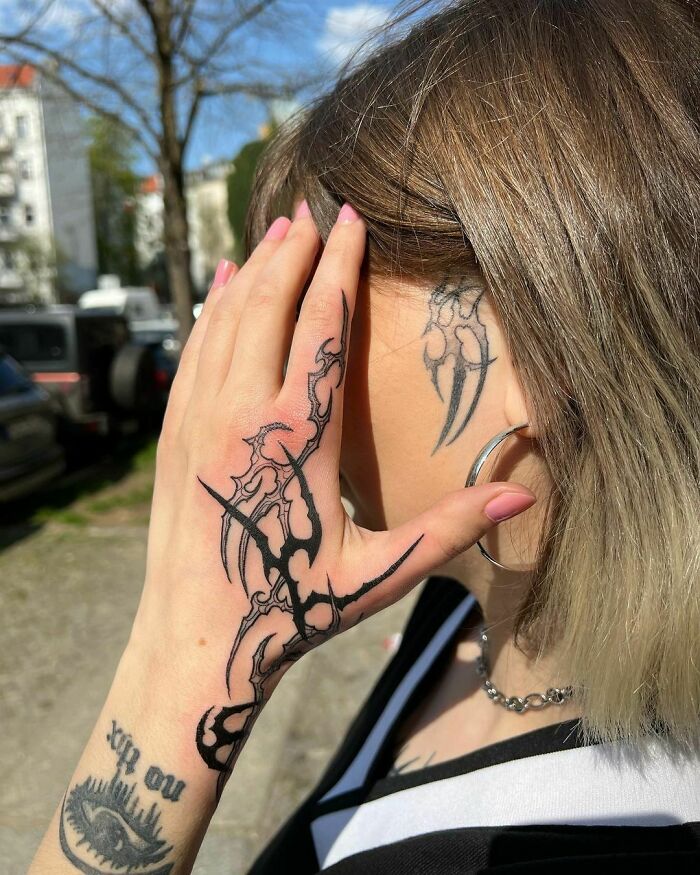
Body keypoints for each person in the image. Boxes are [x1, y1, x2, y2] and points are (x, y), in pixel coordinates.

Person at [30, 0, 699, 872]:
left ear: (539, 356)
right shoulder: (470, 615)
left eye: (322, 293)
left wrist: (180, 660)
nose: (283, 364)